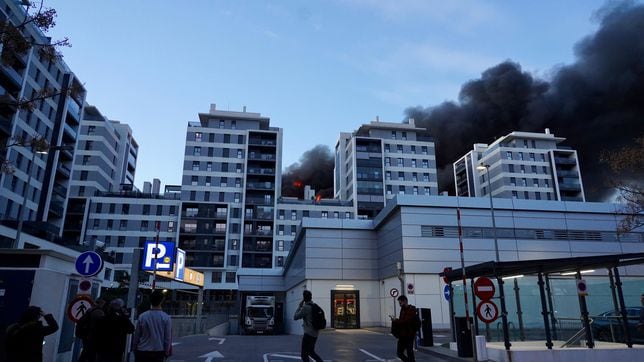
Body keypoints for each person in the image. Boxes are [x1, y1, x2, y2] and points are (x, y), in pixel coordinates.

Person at [132, 290, 172, 362]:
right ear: (162, 301)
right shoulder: (166, 318)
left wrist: (135, 348)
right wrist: (166, 352)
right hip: (158, 352)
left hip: (142, 351)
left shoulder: (142, 316)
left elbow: (137, 335)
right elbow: (167, 338)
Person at [294, 290, 323, 362]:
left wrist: (299, 306)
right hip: (315, 333)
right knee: (311, 352)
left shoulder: (306, 307)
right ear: (311, 297)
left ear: (304, 298)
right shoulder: (315, 306)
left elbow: (295, 317)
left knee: (304, 355)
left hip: (308, 334)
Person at [77, 298, 106, 362]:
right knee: (90, 354)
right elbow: (100, 324)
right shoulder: (99, 312)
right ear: (101, 304)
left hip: (85, 334)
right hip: (92, 336)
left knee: (86, 351)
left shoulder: (90, 310)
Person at [390, 295, 417, 362]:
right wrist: (395, 320)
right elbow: (401, 320)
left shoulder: (411, 309)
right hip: (402, 335)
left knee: (409, 352)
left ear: (405, 301)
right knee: (399, 353)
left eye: (400, 303)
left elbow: (406, 321)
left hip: (409, 334)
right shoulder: (402, 310)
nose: (399, 304)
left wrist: (395, 320)